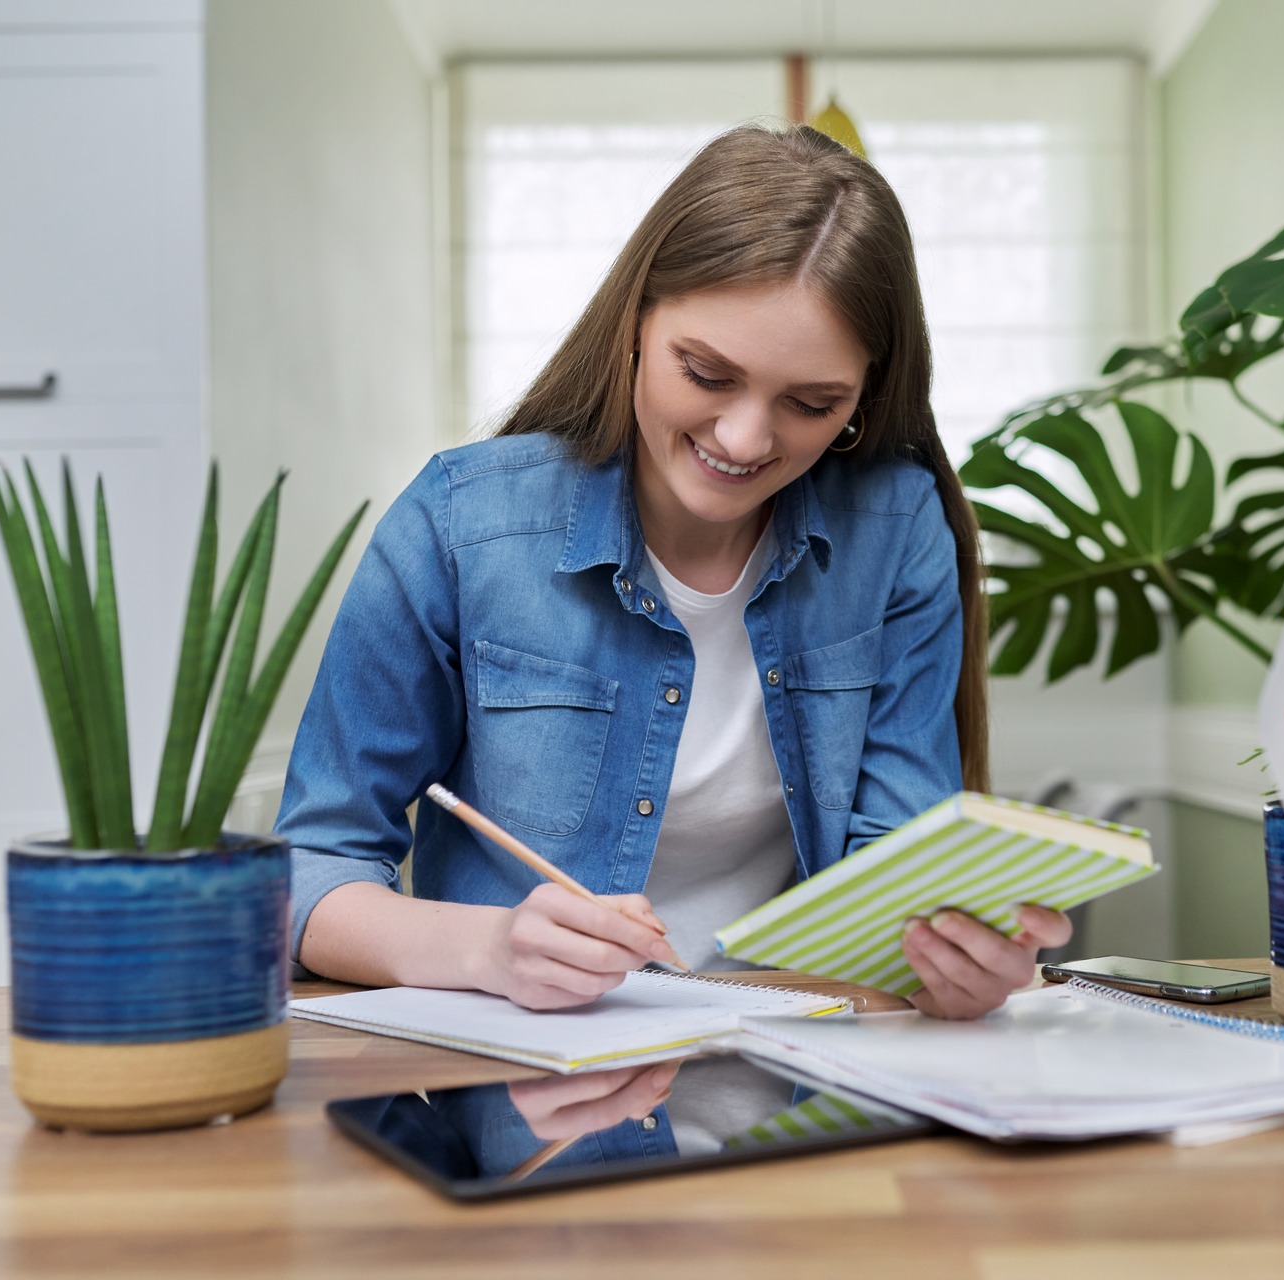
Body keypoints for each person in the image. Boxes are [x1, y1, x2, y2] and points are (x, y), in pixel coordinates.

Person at [279, 124, 1071, 1060]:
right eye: (706, 373)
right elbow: (304, 870)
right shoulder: (461, 523)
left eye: (811, 404)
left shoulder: (896, 532)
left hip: (809, 1083)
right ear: (635, 324)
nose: (743, 439)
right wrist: (488, 947)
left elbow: (896, 891)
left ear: (864, 399)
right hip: (525, 1095)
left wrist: (950, 966)